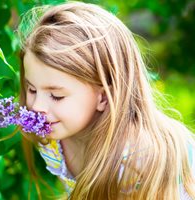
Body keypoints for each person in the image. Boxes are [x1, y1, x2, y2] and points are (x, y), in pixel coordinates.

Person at [18, 2, 195, 199]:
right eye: (32, 89)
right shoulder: (53, 139)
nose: (36, 106)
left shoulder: (135, 160)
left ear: (103, 97)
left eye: (56, 96)